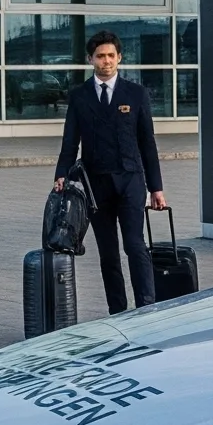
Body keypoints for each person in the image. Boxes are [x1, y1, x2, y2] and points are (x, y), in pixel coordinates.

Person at [55, 32, 166, 313]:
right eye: (100, 56)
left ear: (119, 58)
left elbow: (147, 142)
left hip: (130, 179)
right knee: (108, 252)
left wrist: (156, 188)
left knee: (135, 245)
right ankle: (117, 310)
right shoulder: (79, 96)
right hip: (95, 185)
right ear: (90, 59)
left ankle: (146, 307)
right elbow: (70, 141)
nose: (106, 61)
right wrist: (61, 175)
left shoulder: (136, 93)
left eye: (111, 56)